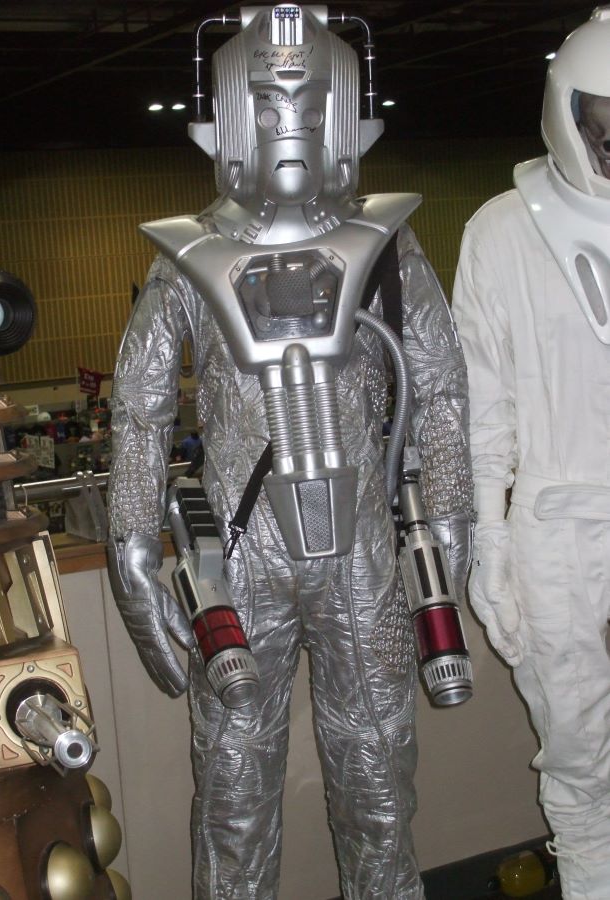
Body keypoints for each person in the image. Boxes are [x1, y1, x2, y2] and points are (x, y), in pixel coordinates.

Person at [107, 5, 472, 897]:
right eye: (269, 106)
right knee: (233, 792)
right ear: (231, 118)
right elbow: (139, 411)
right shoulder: (188, 257)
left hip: (362, 551)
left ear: (343, 112)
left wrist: (450, 516)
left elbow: (440, 387)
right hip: (238, 555)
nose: (289, 126)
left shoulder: (385, 245)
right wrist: (131, 548)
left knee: (377, 785)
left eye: (307, 105)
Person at [452, 9, 610, 898]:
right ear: (566, 110)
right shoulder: (503, 232)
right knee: (578, 749)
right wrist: (489, 537)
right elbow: (486, 401)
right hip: (554, 519)